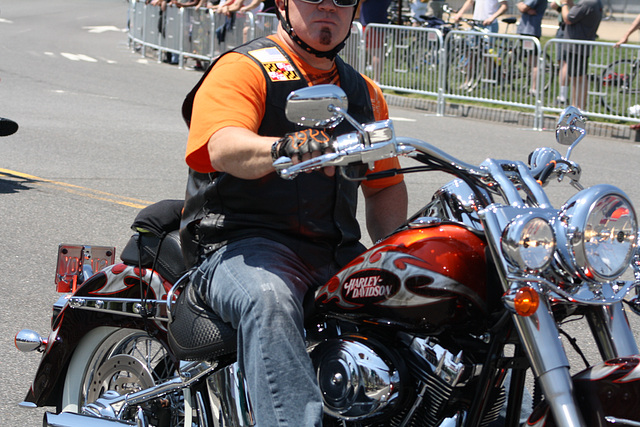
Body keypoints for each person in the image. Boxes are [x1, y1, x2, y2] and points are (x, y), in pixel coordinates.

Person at [179, 0, 408, 425]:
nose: (328, 6)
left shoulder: (363, 93)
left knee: (423, 295)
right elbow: (223, 146)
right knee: (269, 300)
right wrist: (283, 147)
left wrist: (401, 256)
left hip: (333, 252)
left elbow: (385, 188)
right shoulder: (244, 68)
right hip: (240, 245)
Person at [560, 0, 603, 110]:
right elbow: (580, 13)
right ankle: (579, 106)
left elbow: (568, 18)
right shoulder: (593, 2)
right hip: (580, 46)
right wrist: (571, 5)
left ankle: (577, 107)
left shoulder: (587, 2)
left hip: (576, 47)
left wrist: (564, 4)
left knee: (577, 78)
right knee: (579, 76)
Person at [516, 0, 548, 97]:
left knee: (533, 62)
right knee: (527, 59)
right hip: (526, 31)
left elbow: (523, 7)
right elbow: (522, 6)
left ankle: (533, 89)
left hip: (530, 31)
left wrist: (522, 6)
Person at [358, 0, 392, 82]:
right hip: (377, 21)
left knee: (376, 52)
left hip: (371, 22)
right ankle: (373, 77)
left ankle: (376, 80)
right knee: (373, 51)